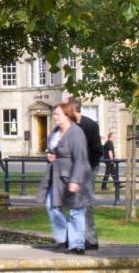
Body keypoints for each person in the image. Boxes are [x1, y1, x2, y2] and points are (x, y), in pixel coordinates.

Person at [35, 102, 92, 255]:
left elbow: (81, 158)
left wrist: (75, 180)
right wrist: (49, 156)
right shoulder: (55, 131)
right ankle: (65, 237)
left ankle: (77, 245)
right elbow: (53, 150)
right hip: (56, 175)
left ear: (67, 115)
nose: (55, 117)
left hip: (74, 175)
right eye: (54, 114)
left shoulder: (76, 133)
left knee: (76, 210)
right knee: (51, 206)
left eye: (57, 114)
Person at [65, 96, 102, 250]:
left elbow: (97, 151)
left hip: (88, 169)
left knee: (85, 204)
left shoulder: (90, 125)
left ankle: (90, 239)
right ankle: (74, 239)